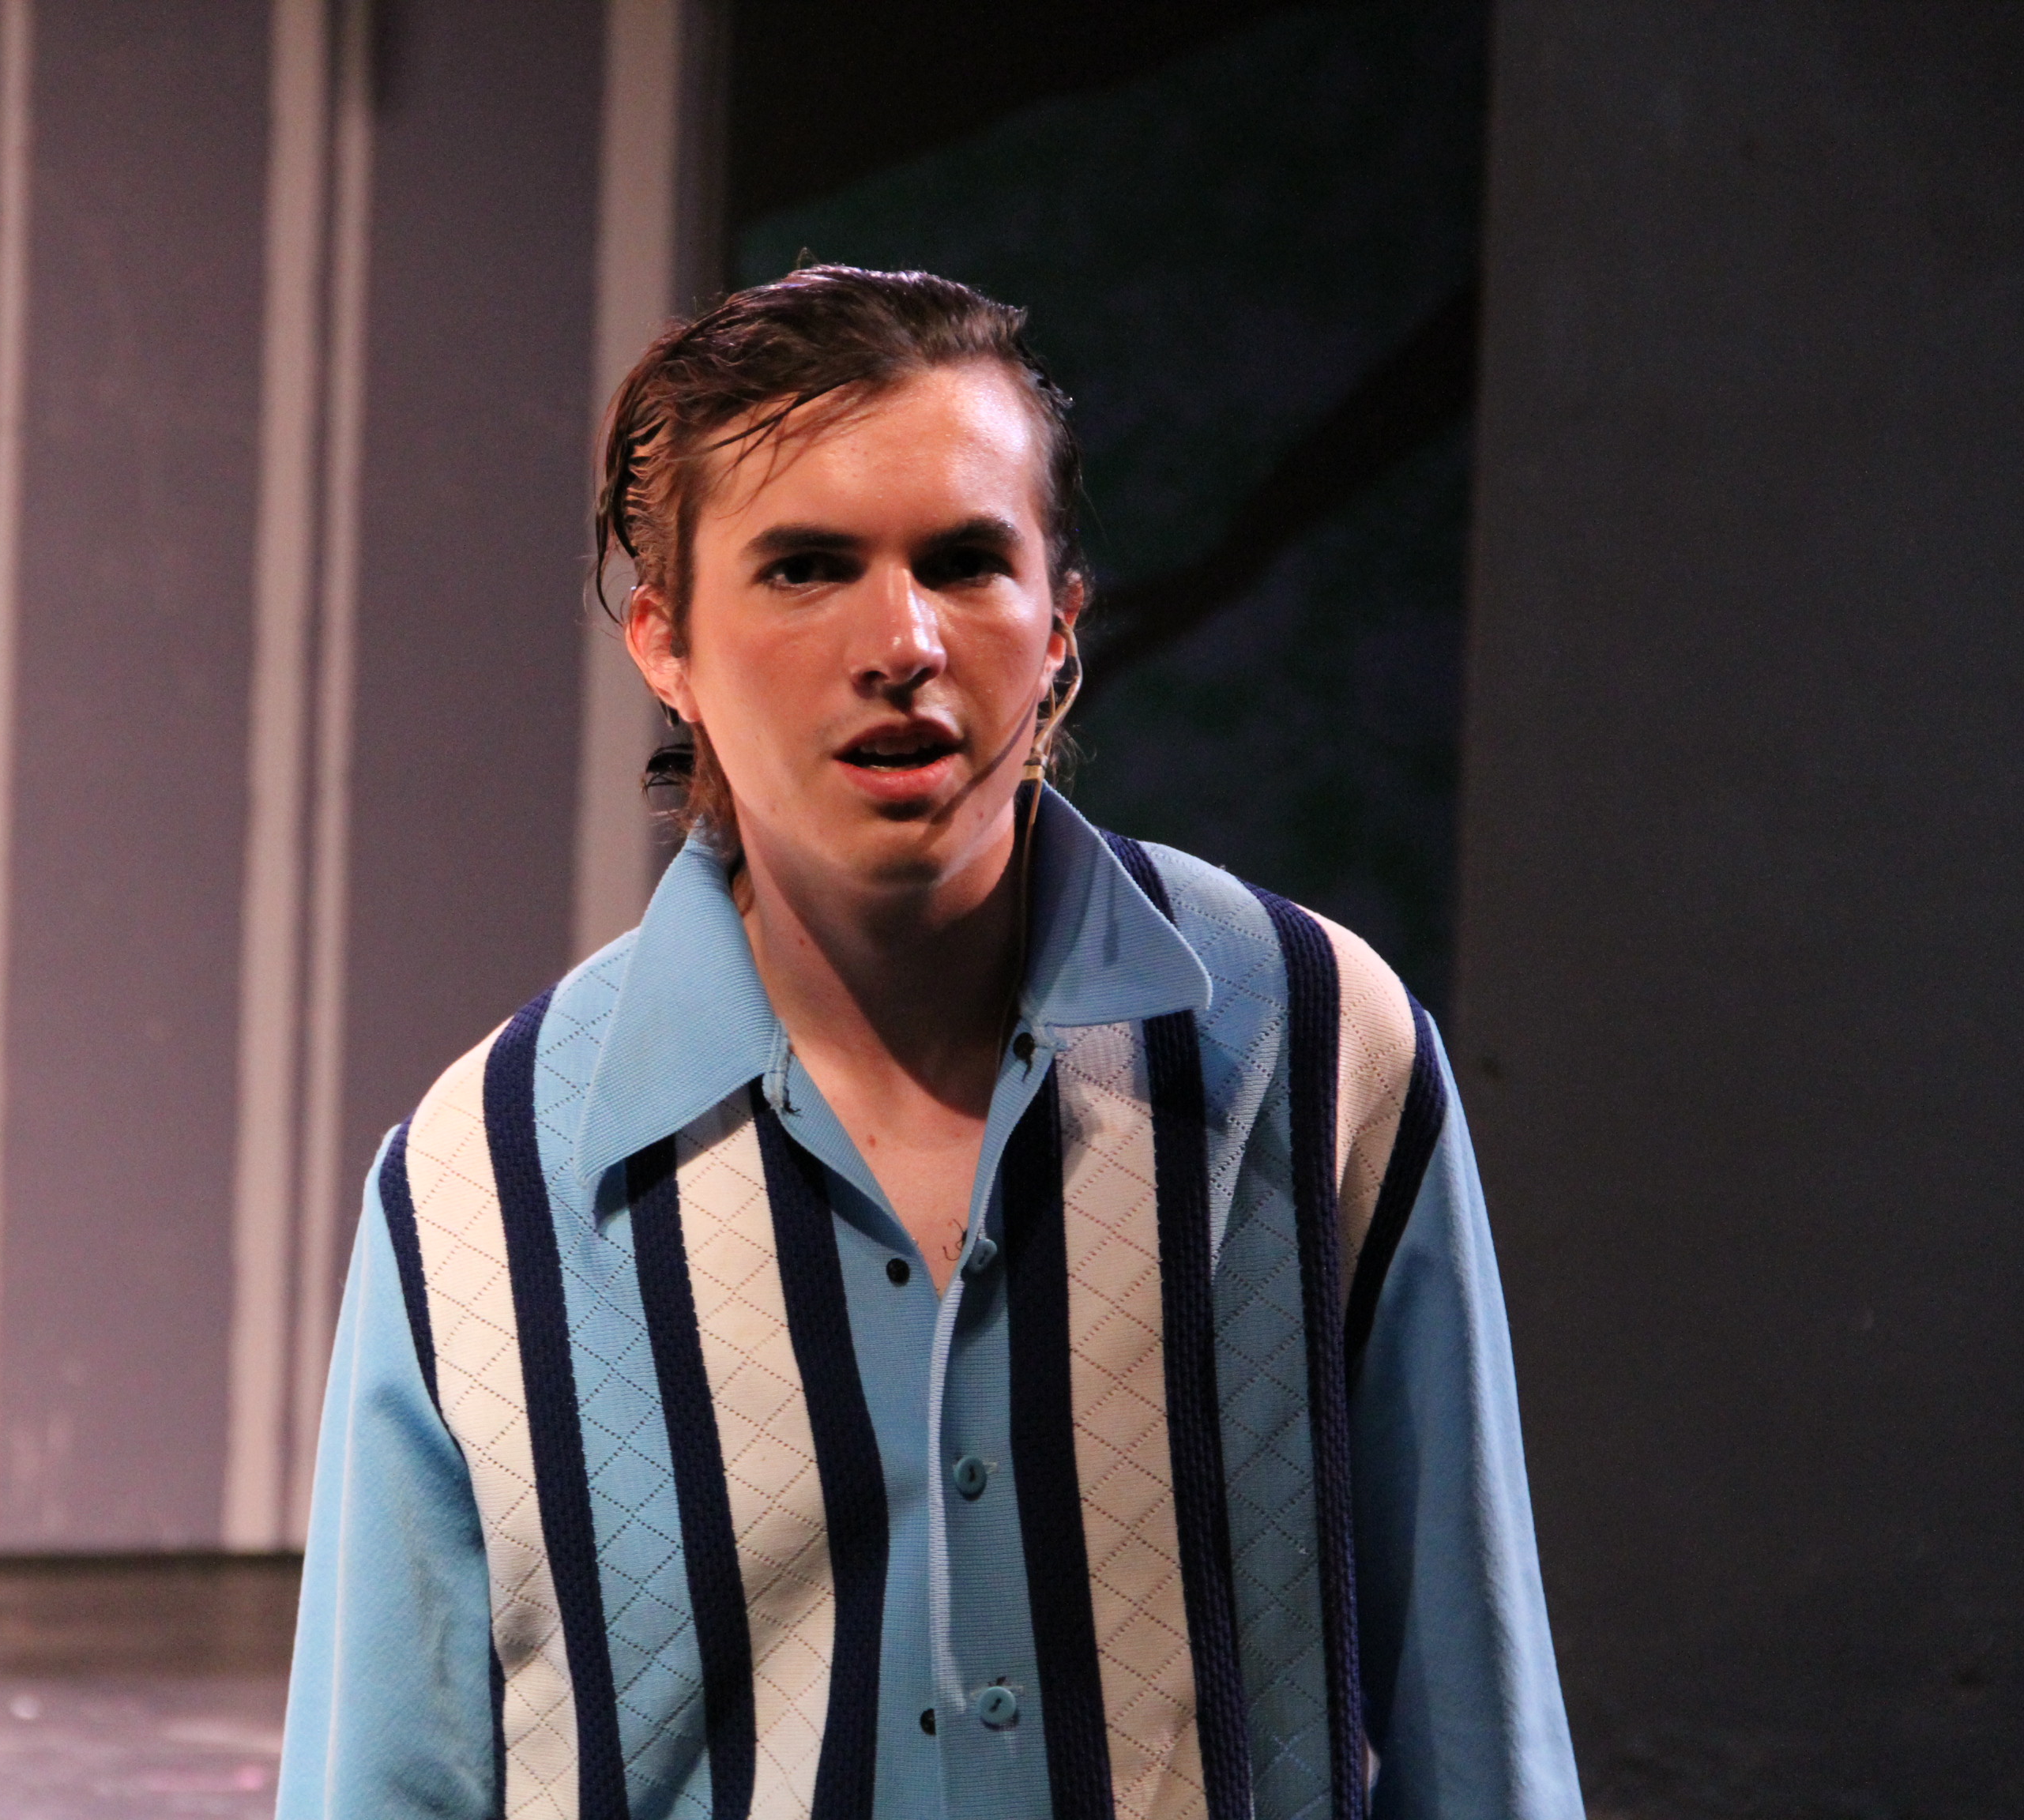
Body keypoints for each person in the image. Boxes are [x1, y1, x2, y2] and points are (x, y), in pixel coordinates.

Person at [275, 266, 1578, 1820]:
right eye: (805, 568)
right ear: (664, 642)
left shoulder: (1308, 1045)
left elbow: (1476, 1732)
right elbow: (386, 1783)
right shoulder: (483, 1178)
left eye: (964, 562)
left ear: (1060, 624)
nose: (900, 640)